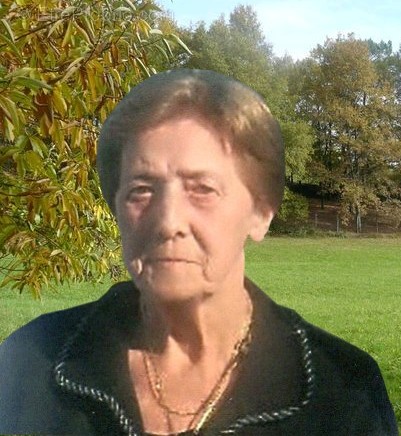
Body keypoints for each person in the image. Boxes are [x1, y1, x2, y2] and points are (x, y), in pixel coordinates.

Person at [0, 69, 397, 436]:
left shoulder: (341, 393)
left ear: (261, 213)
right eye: (141, 190)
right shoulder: (31, 363)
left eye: (202, 189)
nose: (167, 221)